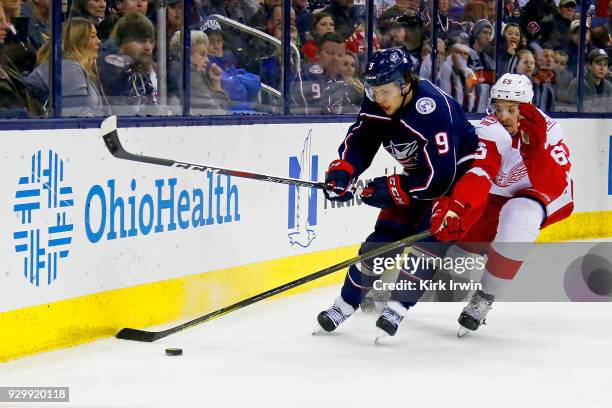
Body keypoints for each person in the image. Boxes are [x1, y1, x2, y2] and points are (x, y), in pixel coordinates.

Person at [316, 47, 478, 338]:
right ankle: (343, 305)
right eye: (373, 90)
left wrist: (396, 189)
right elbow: (363, 139)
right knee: (381, 242)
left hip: (452, 186)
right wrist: (345, 170)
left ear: (406, 83)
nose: (378, 98)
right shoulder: (379, 99)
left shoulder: (432, 109)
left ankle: (397, 308)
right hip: (418, 178)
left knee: (426, 248)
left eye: (385, 91)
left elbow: (441, 177)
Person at [429, 73, 573, 333]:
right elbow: (481, 171)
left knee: (521, 217)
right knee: (450, 280)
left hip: (534, 194)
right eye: (498, 108)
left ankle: (484, 299)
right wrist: (459, 206)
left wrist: (535, 149)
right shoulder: (488, 128)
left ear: (527, 108)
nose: (503, 115)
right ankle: (400, 294)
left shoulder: (549, 130)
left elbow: (553, 185)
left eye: (511, 109)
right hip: (494, 195)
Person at [25, 17, 109, 117]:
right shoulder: (68, 68)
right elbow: (77, 116)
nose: (99, 41)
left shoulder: (73, 67)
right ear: (76, 42)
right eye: (92, 36)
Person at [96, 11, 158, 116]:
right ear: (123, 42)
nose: (148, 47)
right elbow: (117, 105)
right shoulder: (109, 60)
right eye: (141, 41)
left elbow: (150, 103)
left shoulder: (140, 63)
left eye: (151, 42)